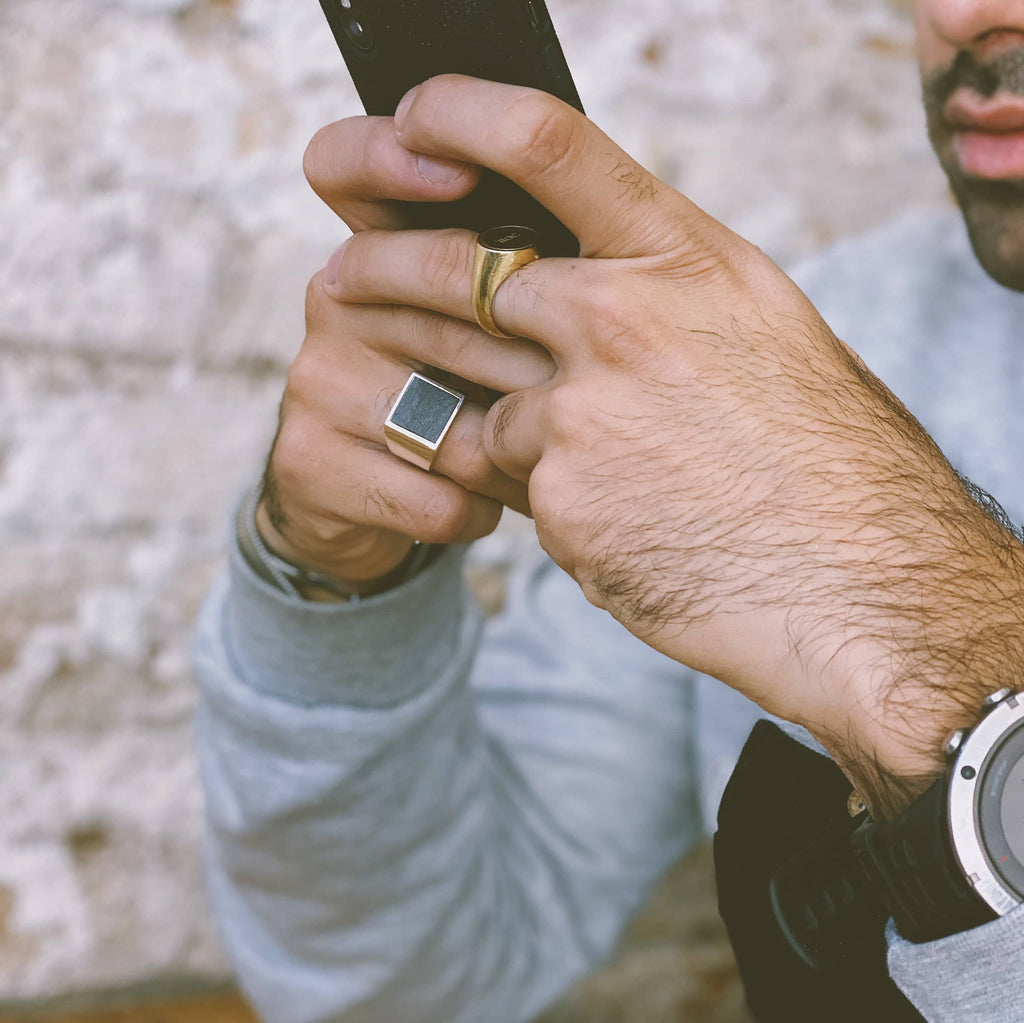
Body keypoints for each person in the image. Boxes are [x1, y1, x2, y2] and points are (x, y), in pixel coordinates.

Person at [193, 1, 1024, 1020]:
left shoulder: (812, 409)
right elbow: (415, 978)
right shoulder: (837, 340)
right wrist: (334, 579)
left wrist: (913, 615)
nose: (965, 14)